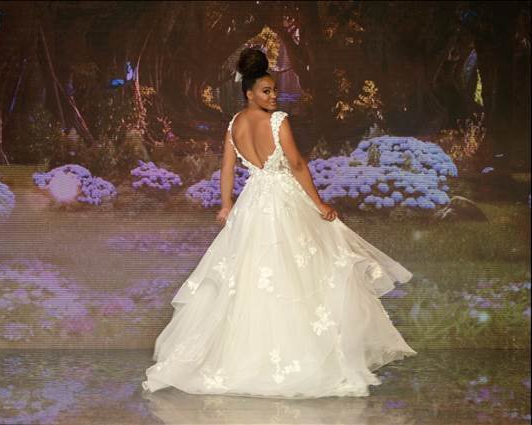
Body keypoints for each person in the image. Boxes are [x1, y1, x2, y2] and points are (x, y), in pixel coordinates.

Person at [142, 48, 417, 399]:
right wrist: (319, 203)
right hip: (284, 200)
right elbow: (297, 164)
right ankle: (301, 356)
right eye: (266, 91)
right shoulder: (278, 121)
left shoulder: (234, 125)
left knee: (252, 274)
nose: (273, 96)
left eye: (274, 91)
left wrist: (227, 205)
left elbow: (227, 169)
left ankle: (252, 357)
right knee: (299, 270)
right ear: (249, 93)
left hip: (253, 203)